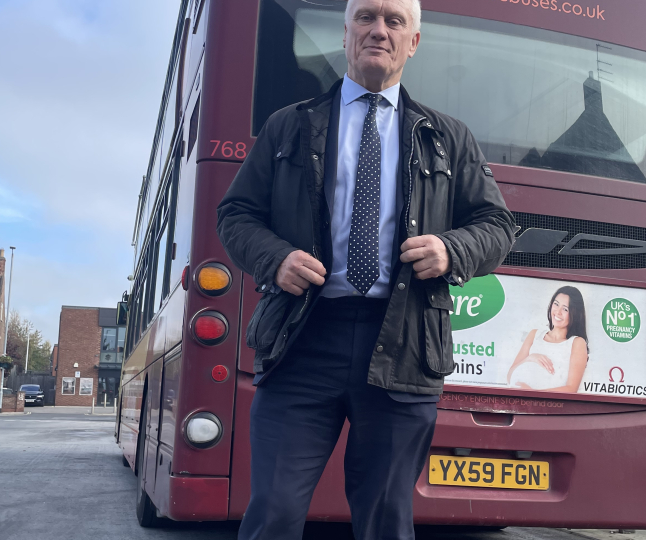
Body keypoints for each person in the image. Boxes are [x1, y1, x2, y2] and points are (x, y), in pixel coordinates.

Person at [216, 0, 515, 538]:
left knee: (385, 519)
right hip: (302, 341)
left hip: (404, 342)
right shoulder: (288, 126)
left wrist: (452, 250)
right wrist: (274, 258)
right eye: (366, 17)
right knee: (275, 512)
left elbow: (497, 224)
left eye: (394, 20)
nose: (379, 30)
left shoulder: (449, 137)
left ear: (414, 41)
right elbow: (235, 214)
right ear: (347, 32)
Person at [506, 286, 589, 393]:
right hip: (517, 402)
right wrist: (530, 358)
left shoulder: (576, 343)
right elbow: (509, 376)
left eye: (565, 309)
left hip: (547, 406)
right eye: (556, 304)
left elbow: (571, 389)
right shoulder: (534, 334)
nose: (558, 312)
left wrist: (533, 395)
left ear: (575, 314)